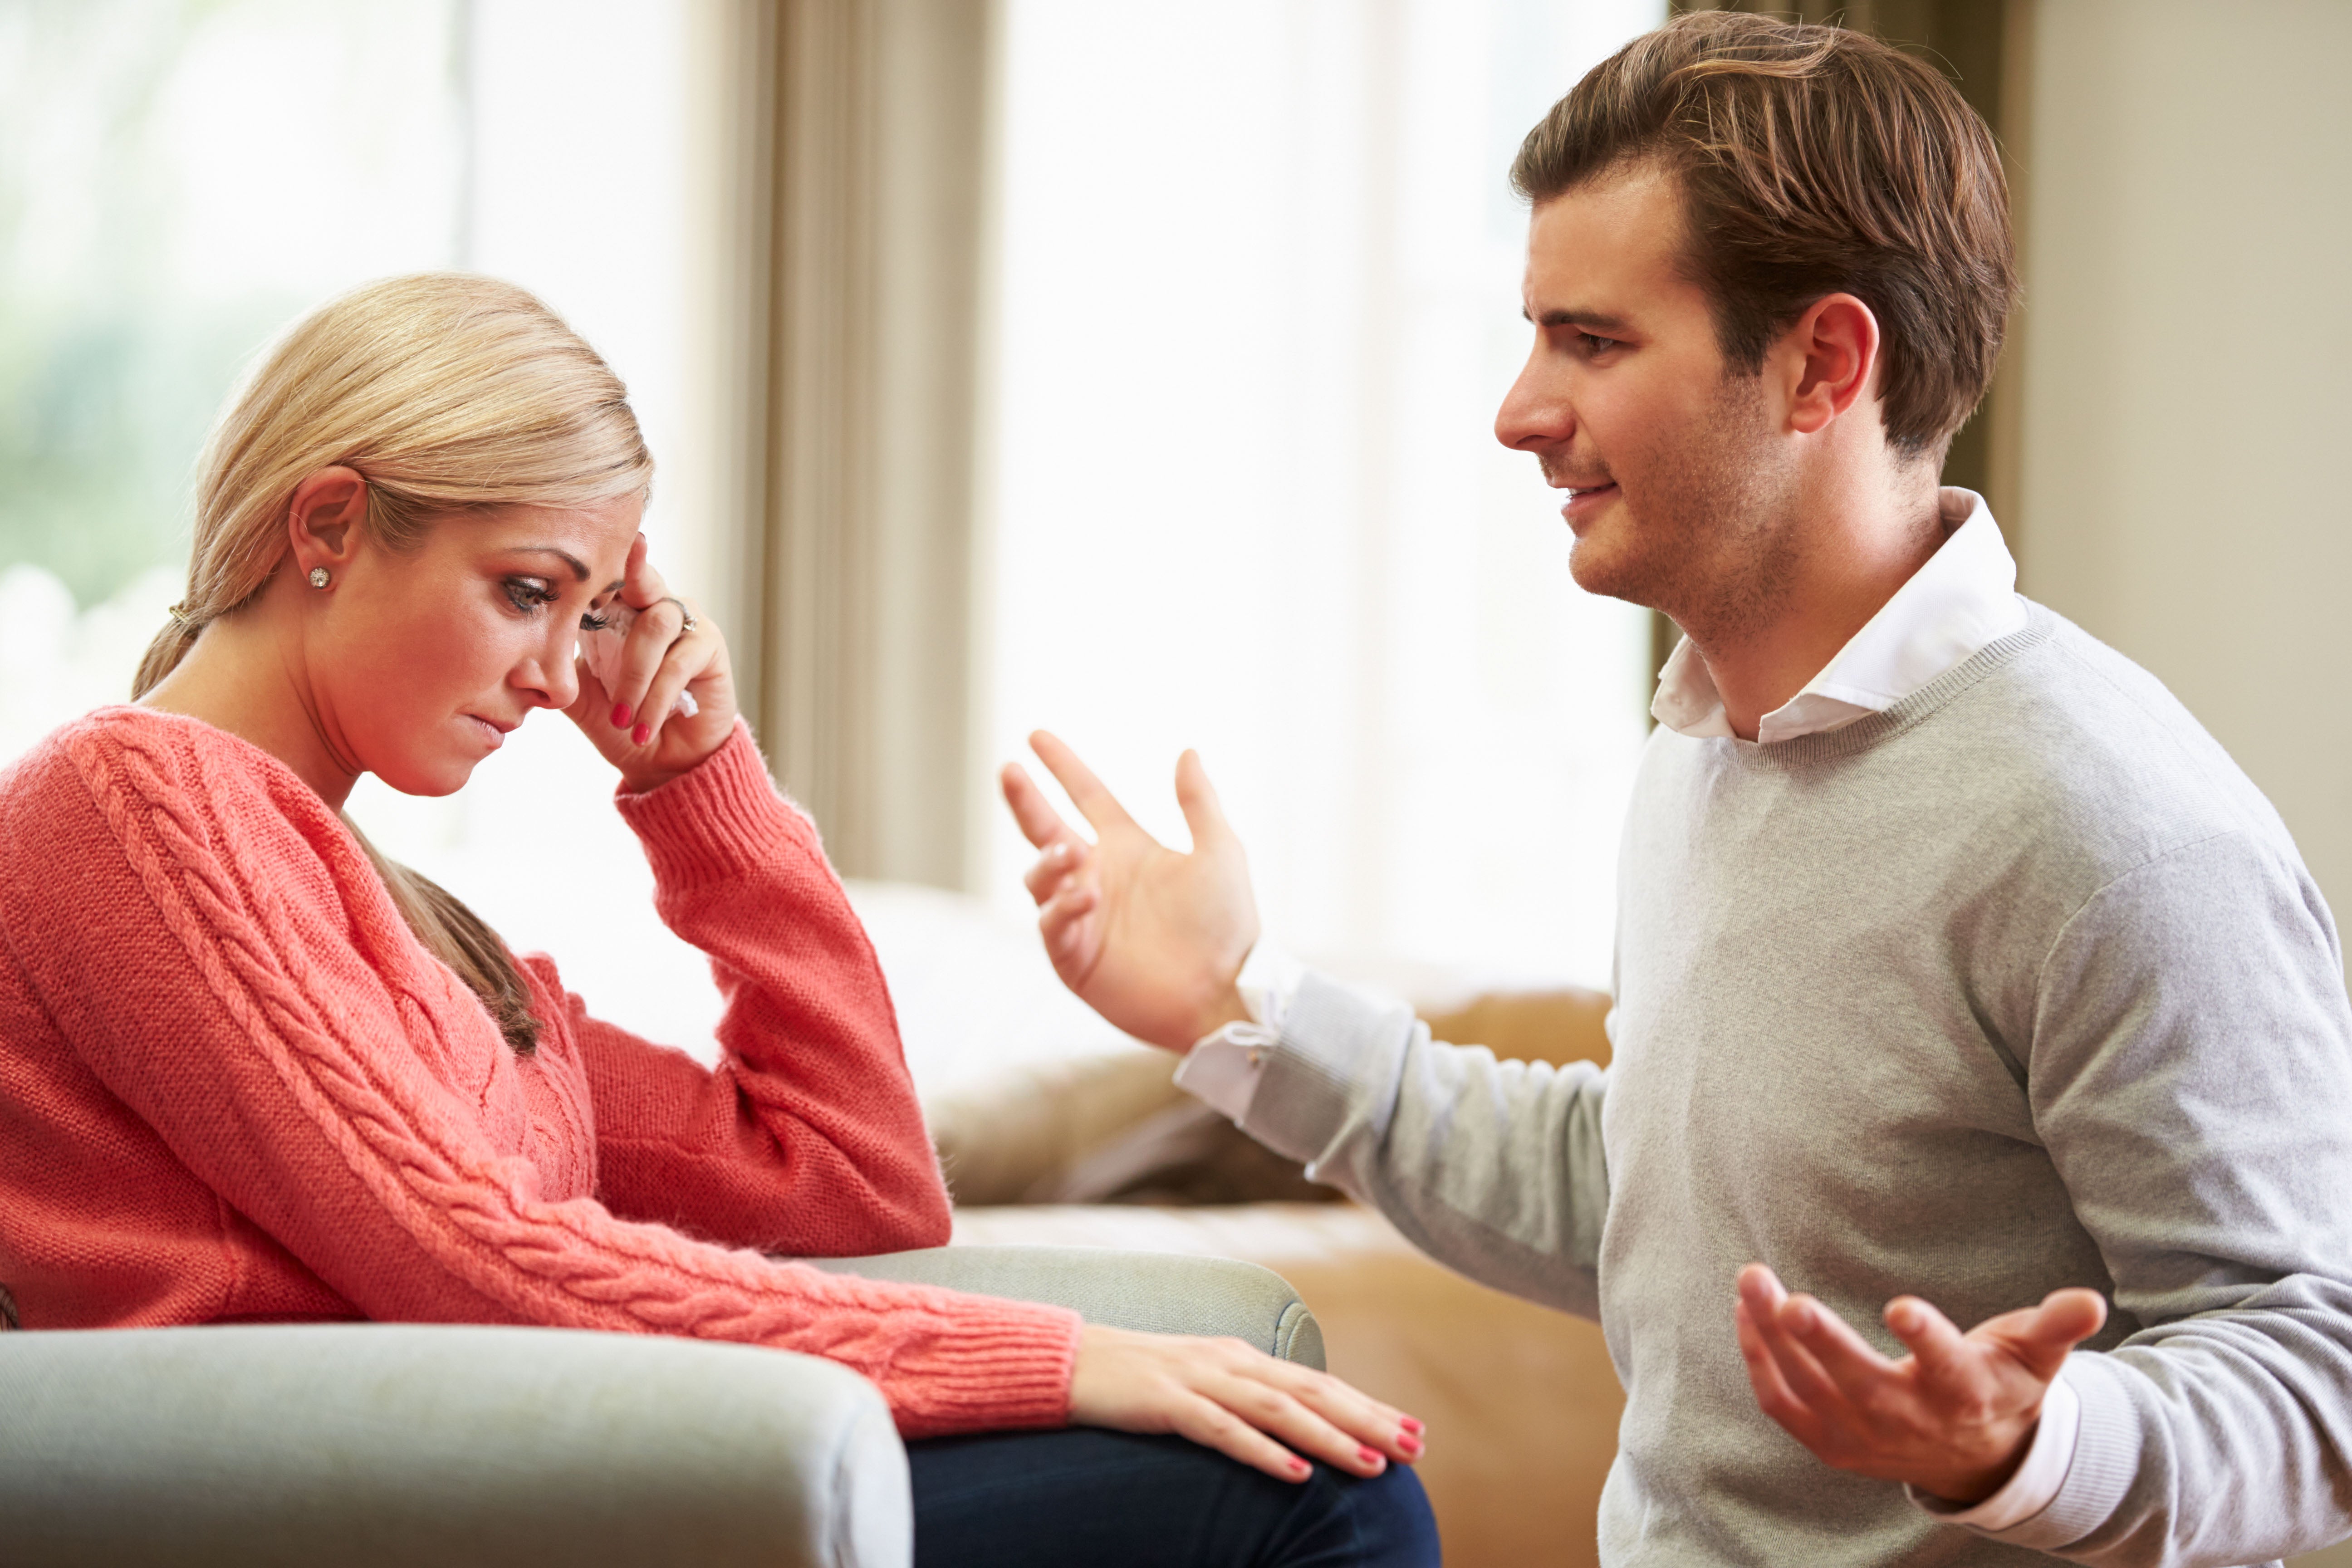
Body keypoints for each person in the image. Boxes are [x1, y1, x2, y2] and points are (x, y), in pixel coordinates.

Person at [1002, 13, 2352, 1566]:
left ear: (1822, 366)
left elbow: (2316, 1369)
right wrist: (1242, 1002)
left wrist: (2034, 1444)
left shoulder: (2115, 828)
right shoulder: (1709, 742)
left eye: (1591, 340)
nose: (1517, 410)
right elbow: (1652, 1195)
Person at [0, 273, 1437, 1568]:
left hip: (549, 1467)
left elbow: (858, 1190)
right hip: (372, 1500)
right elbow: (465, 1254)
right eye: (524, 594)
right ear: (326, 523)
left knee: (1319, 1474)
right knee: (1314, 1500)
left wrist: (699, 783)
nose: (565, 678)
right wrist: (1051, 1361)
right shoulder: (128, 800)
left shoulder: (422, 932)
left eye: (593, 618)